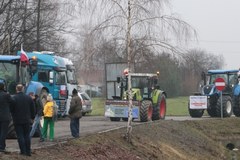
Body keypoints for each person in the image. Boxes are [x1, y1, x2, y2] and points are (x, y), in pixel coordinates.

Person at [10, 84, 35, 156]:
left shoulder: (14, 98)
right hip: (27, 120)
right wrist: (32, 117)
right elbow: (33, 109)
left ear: (16, 89)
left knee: (20, 135)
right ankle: (28, 151)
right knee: (27, 135)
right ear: (23, 89)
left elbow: (11, 109)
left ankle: (23, 151)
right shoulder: (28, 98)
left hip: (17, 120)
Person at [0, 81, 13, 152]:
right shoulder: (6, 95)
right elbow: (12, 102)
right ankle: (2, 147)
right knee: (3, 132)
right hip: (5, 116)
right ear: (3, 87)